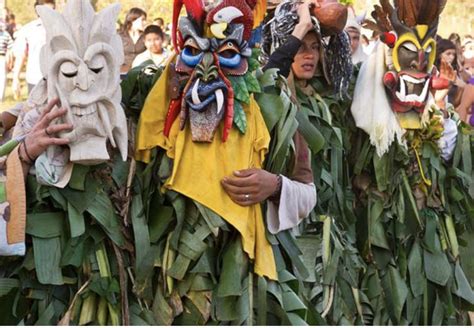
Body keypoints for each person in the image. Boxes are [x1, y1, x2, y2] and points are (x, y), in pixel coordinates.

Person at [11, 0, 54, 96]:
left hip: (58, 80)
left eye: (53, 10)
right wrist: (15, 78)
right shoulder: (28, 30)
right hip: (35, 79)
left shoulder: (61, 29)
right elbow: (21, 55)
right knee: (35, 110)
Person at [119, 7, 147, 74]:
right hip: (122, 73)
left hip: (141, 74)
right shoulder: (119, 36)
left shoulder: (146, 36)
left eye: (145, 20)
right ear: (133, 20)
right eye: (142, 20)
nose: (145, 22)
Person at [0, 21, 13, 102]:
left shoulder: (5, 34)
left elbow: (10, 48)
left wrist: (10, 60)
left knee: (2, 78)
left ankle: (0, 98)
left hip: (2, 57)